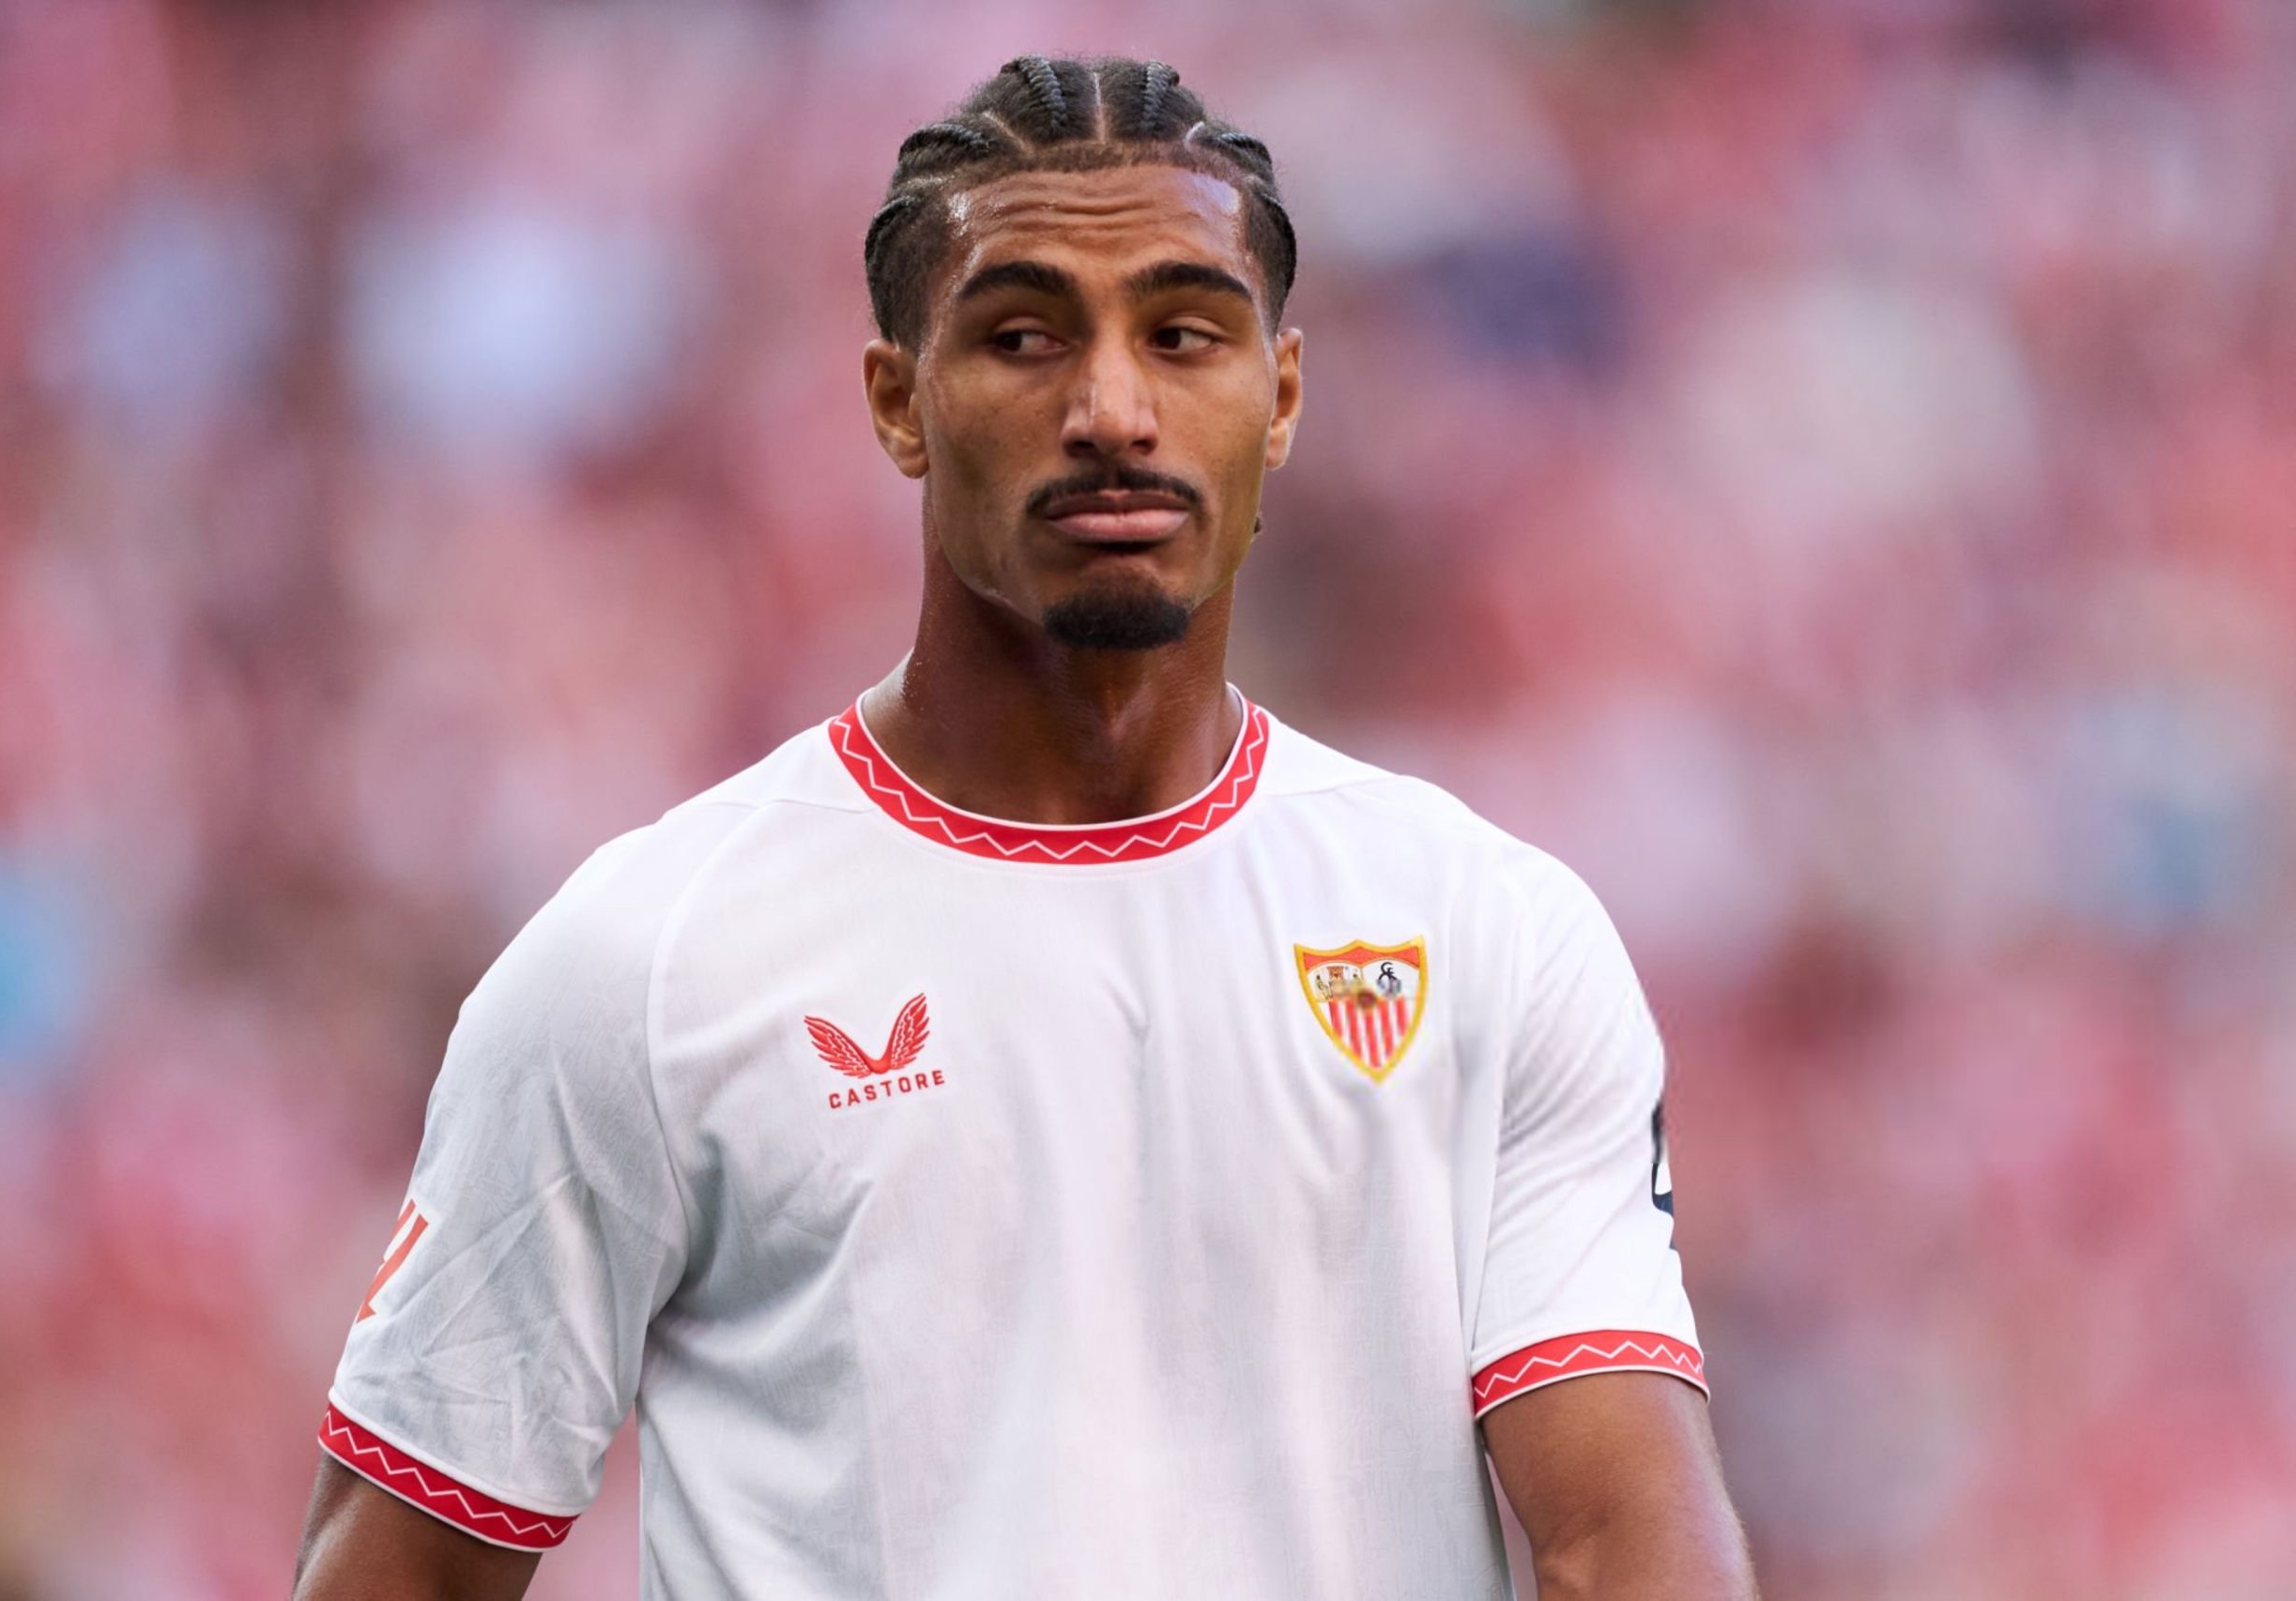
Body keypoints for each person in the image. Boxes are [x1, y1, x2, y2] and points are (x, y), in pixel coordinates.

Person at [290, 53, 1752, 1601]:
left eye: (1183, 336)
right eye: (1023, 337)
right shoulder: (642, 962)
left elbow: (1632, 1541)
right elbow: (400, 1574)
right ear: (898, 403)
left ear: (1281, 398)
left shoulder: (1486, 931)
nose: (1113, 410)